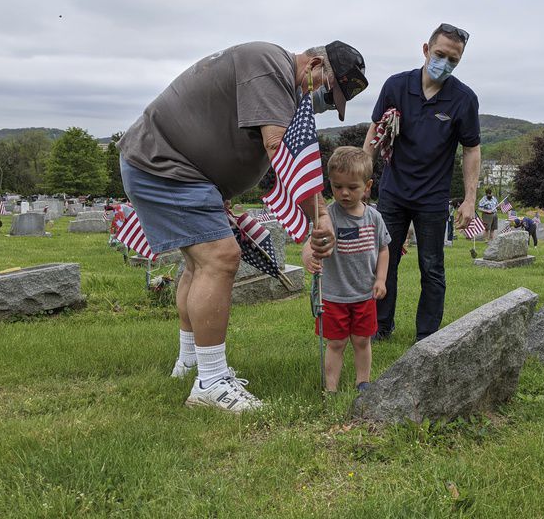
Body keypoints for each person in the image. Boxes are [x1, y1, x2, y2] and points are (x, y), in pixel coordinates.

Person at [118, 40, 368, 412]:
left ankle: (190, 361)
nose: (323, 104)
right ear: (314, 63)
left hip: (182, 171)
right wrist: (320, 216)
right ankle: (212, 381)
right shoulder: (270, 64)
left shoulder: (278, 77)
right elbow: (279, 147)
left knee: (197, 264)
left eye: (332, 103)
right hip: (165, 164)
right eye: (327, 93)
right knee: (220, 258)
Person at [364, 23, 480, 342]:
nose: (445, 63)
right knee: (385, 261)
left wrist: (470, 199)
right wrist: (363, 178)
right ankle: (381, 327)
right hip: (393, 192)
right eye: (440, 54)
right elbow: (375, 132)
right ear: (426, 50)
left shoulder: (464, 99)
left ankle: (427, 335)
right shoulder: (396, 86)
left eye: (453, 60)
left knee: (431, 268)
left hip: (432, 198)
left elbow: (471, 149)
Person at [301, 147, 390, 393]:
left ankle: (363, 382)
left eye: (352, 187)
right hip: (333, 296)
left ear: (368, 185)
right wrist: (309, 257)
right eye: (337, 186)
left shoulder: (374, 218)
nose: (344, 193)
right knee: (336, 343)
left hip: (364, 294)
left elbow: (383, 248)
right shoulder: (326, 217)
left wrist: (381, 279)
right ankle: (331, 388)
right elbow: (310, 244)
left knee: (362, 341)